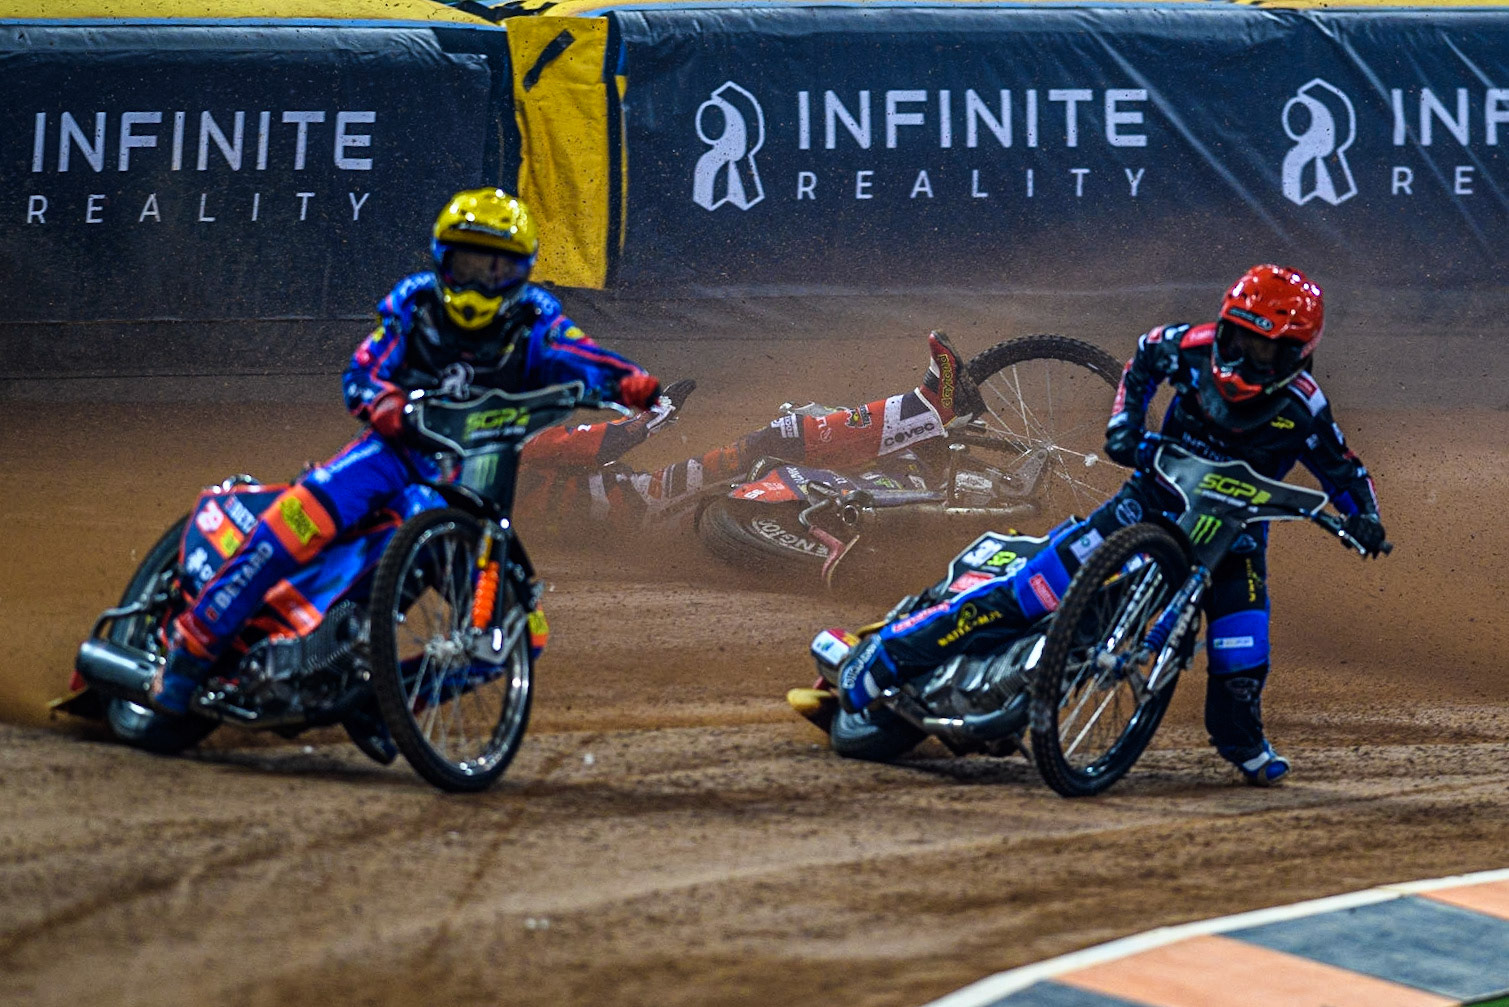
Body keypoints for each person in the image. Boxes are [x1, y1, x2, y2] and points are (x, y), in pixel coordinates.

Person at [835, 265, 1388, 786]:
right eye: (1238, 337)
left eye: (1262, 347)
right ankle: (889, 655)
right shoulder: (1189, 347)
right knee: (1030, 592)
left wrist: (1365, 517)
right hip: (1149, 500)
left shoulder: (1306, 407)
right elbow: (1142, 358)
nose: (1244, 355)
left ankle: (1242, 744)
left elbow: (1345, 469)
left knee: (1242, 651)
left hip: (1234, 539)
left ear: (1294, 353)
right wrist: (1125, 424)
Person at [149, 188, 663, 714]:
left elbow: (582, 355)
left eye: (497, 269)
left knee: (521, 633)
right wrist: (385, 401)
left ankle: (384, 707)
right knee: (300, 519)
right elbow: (363, 370)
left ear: (522, 272)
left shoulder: (536, 317)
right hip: (391, 455)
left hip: (471, 482)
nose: (480, 283)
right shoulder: (416, 304)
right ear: (444, 260)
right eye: (469, 265)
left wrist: (632, 383)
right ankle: (189, 652)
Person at [512, 330, 987, 531]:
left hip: (638, 519)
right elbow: (610, 441)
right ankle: (928, 407)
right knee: (781, 435)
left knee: (784, 458)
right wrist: (661, 409)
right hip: (645, 500)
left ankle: (902, 474)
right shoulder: (509, 444)